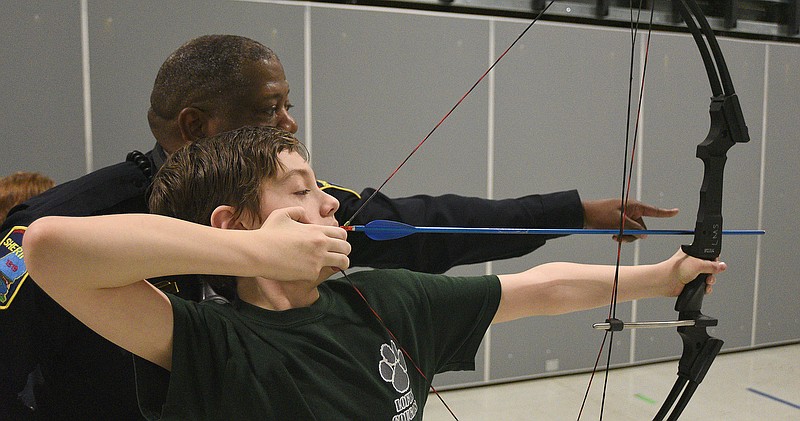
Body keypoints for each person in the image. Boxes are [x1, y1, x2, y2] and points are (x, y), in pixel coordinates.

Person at [0, 34, 678, 419]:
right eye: (272, 108)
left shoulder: (323, 231)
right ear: (195, 126)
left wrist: (572, 212)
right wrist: (251, 248)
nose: (290, 122)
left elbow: (435, 225)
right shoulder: (82, 213)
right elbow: (42, 275)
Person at [23, 126, 725, 420]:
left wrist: (658, 278)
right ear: (231, 223)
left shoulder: (377, 296)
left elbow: (537, 289)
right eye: (299, 190)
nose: (327, 200)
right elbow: (49, 247)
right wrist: (258, 256)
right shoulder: (208, 342)